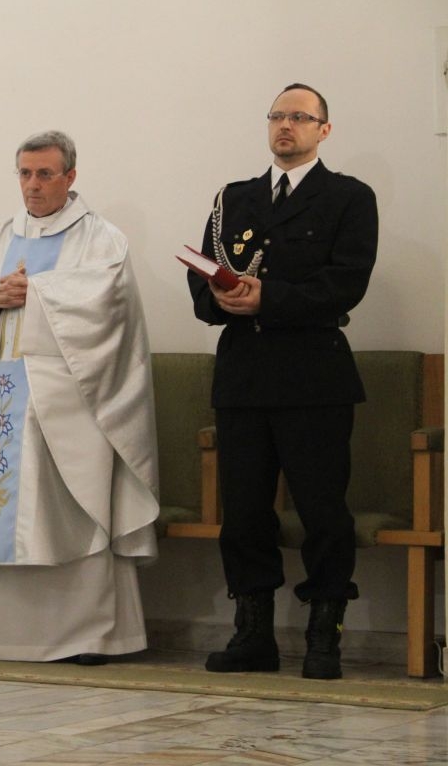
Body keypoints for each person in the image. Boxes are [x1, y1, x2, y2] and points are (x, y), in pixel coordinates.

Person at [0, 131, 160, 664]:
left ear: (70, 177)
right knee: (1, 506)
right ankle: (0, 635)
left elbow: (107, 308)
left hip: (73, 399)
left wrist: (34, 293)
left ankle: (88, 636)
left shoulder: (101, 239)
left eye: (45, 174)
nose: (33, 185)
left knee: (73, 509)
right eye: (25, 173)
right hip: (0, 391)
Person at [188, 83, 378, 680]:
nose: (285, 125)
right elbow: (202, 280)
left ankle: (325, 637)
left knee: (323, 513)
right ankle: (253, 637)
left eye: (299, 116)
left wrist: (267, 298)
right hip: (243, 378)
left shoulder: (348, 197)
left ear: (324, 129)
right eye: (277, 115)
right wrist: (223, 299)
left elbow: (346, 283)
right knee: (244, 514)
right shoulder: (234, 198)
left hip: (314, 378)